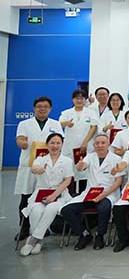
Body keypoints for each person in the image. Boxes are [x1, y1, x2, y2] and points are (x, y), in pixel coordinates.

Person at [61, 133, 124, 250]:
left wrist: (104, 194)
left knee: (104, 208)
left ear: (108, 144)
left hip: (108, 193)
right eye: (97, 143)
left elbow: (119, 181)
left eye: (103, 143)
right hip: (90, 193)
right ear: (94, 145)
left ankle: (100, 235)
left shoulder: (116, 159)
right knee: (67, 210)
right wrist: (80, 166)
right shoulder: (90, 157)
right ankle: (84, 234)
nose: (100, 145)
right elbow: (82, 166)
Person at [14, 96, 64, 241]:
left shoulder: (55, 124)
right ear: (34, 108)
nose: (42, 109)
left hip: (49, 167)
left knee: (45, 197)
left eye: (45, 107)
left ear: (50, 109)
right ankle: (24, 229)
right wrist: (22, 143)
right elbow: (19, 139)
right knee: (26, 197)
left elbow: (60, 142)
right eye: (39, 107)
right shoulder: (25, 124)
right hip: (29, 166)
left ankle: (42, 227)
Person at [20, 133, 73, 256]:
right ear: (47, 144)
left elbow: (67, 180)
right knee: (36, 211)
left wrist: (54, 195)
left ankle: (33, 240)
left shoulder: (67, 161)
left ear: (62, 145)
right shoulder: (40, 159)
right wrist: (37, 169)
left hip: (59, 194)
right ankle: (39, 241)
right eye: (52, 143)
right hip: (41, 193)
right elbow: (34, 168)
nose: (55, 146)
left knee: (51, 208)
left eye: (58, 143)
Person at [59, 89, 98, 192]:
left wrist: (85, 142)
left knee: (84, 173)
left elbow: (93, 127)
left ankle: (82, 194)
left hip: (86, 146)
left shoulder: (91, 113)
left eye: (82, 98)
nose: (79, 101)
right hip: (70, 147)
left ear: (85, 100)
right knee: (69, 172)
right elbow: (60, 123)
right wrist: (67, 123)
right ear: (73, 100)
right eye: (77, 98)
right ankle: (69, 195)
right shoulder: (66, 113)